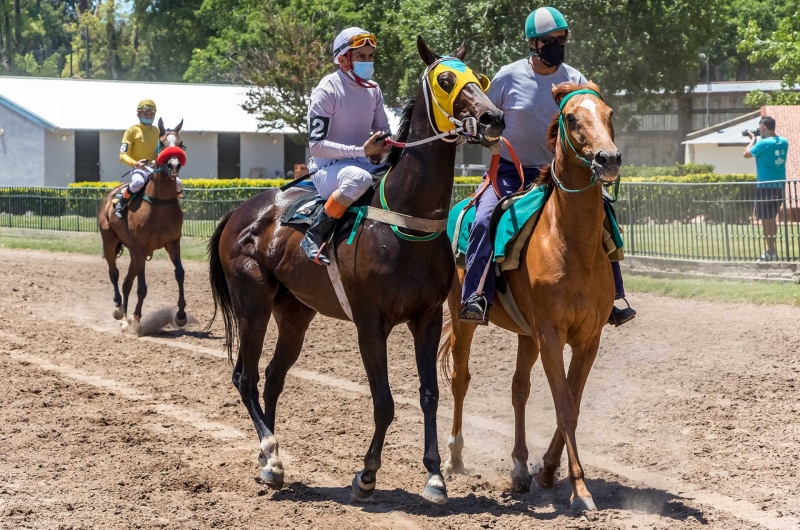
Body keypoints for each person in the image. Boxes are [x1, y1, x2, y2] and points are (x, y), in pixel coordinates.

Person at [459, 6, 636, 327]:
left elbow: (594, 121)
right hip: (511, 174)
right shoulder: (507, 77)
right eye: (549, 40)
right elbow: (482, 117)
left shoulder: (575, 80)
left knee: (603, 216)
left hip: (559, 176)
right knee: (485, 219)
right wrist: (484, 136)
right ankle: (476, 295)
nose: (557, 45)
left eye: (561, 39)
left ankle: (613, 297)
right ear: (533, 44)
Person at [299, 27, 391, 265]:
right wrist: (362, 151)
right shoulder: (326, 90)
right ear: (343, 60)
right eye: (361, 56)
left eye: (370, 56)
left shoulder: (374, 90)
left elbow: (385, 134)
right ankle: (315, 233)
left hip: (363, 165)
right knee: (359, 179)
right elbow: (316, 147)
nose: (368, 61)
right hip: (327, 168)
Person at [114, 100, 182, 218]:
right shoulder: (131, 131)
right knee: (138, 182)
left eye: (151, 114)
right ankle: (121, 203)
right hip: (140, 168)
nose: (148, 116)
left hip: (157, 168)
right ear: (138, 115)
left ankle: (176, 206)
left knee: (178, 184)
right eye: (145, 113)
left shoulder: (158, 131)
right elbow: (122, 155)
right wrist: (135, 163)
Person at [744, 116, 789, 261]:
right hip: (779, 186)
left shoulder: (763, 143)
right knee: (772, 219)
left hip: (765, 187)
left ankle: (771, 252)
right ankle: (771, 250)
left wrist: (752, 139)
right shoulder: (784, 142)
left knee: (766, 220)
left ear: (764, 127)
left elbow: (746, 154)